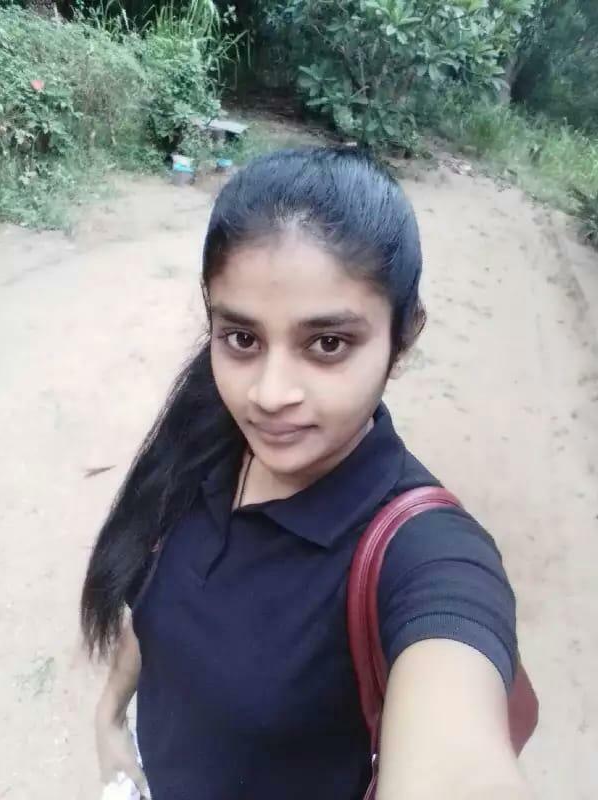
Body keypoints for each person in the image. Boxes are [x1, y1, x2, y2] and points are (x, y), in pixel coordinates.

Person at [81, 147, 530, 800]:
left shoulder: (425, 557)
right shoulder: (205, 436)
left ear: (404, 336)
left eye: (327, 344)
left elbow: (459, 756)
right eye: (242, 338)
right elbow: (156, 602)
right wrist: (110, 715)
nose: (269, 395)